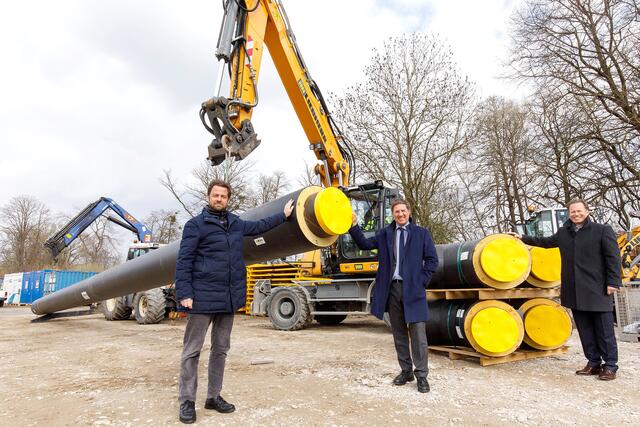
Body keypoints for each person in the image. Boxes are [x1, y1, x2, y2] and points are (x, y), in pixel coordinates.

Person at [175, 179, 294, 423]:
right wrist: (184, 293)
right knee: (192, 351)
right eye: (215, 195)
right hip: (201, 298)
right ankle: (187, 400)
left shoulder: (235, 224)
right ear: (208, 197)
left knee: (220, 350)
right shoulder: (195, 225)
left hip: (227, 298)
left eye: (223, 196)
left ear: (228, 199)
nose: (219, 199)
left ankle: (213, 396)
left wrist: (283, 216)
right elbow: (184, 260)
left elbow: (260, 226)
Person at [513, 199, 621, 380]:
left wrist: (613, 282)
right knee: (585, 330)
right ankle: (593, 363)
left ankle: (610, 366)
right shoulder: (564, 233)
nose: (576, 214)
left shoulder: (602, 231)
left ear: (587, 211)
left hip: (597, 289)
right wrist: (522, 238)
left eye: (579, 211)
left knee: (604, 330)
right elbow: (545, 242)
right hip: (574, 290)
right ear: (569, 213)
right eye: (573, 211)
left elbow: (613, 258)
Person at [348, 198, 438, 393]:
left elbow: (432, 260)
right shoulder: (385, 234)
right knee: (398, 333)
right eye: (396, 211)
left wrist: (421, 280)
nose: (400, 214)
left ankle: (421, 375)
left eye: (403, 211)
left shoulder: (422, 234)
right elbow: (364, 244)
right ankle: (406, 371)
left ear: (409, 212)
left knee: (418, 334)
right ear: (393, 214)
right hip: (392, 289)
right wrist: (354, 226)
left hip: (413, 289)